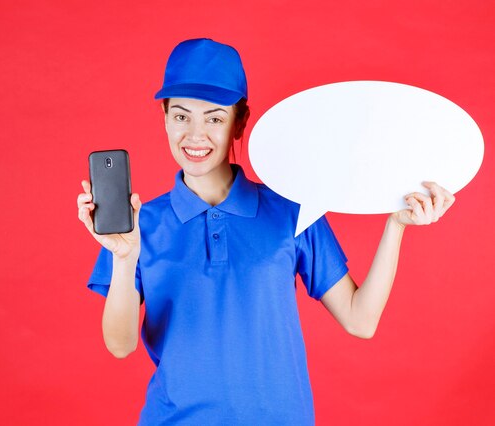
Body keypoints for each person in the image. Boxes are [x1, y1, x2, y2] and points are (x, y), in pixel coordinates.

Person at [77, 38, 455, 425]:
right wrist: (124, 259)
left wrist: (395, 226)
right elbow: (120, 346)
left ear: (240, 122)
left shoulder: (291, 210)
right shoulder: (139, 225)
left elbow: (361, 320)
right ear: (164, 116)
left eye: (214, 118)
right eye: (181, 116)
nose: (195, 135)